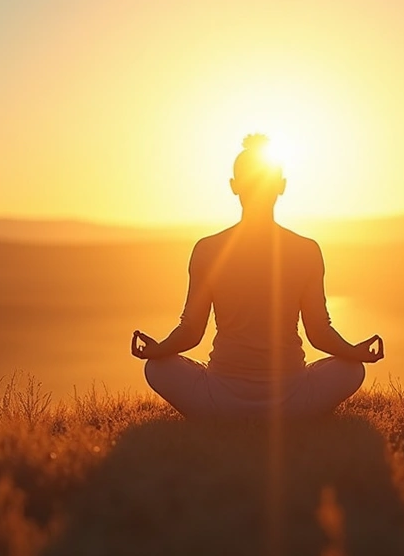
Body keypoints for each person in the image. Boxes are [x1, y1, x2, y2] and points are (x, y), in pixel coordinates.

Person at [131, 133, 384, 418]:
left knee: (157, 368)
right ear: (281, 185)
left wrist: (158, 350)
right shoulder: (306, 250)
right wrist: (353, 353)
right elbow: (319, 333)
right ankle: (285, 415)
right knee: (351, 369)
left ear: (234, 186)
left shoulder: (208, 249)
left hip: (219, 398)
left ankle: (225, 415)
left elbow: (191, 331)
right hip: (292, 397)